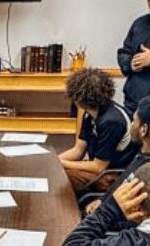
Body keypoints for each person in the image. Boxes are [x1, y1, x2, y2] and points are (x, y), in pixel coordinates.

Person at [57, 67, 139, 195]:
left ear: (78, 98)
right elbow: (78, 150)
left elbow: (99, 167)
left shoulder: (111, 121)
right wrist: (54, 160)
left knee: (61, 179)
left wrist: (62, 164)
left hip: (114, 176)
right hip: (101, 170)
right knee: (57, 172)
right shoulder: (90, 114)